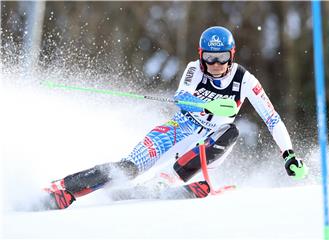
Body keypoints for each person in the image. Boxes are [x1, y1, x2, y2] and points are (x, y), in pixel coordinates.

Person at [42, 26, 308, 210]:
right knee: (128, 168)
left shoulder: (245, 80)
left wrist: (288, 154)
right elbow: (182, 97)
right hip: (180, 128)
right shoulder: (195, 69)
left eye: (222, 58)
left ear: (232, 56)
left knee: (230, 131)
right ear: (201, 55)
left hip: (210, 141)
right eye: (209, 58)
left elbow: (272, 118)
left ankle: (169, 179)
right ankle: (65, 188)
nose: (215, 65)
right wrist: (211, 104)